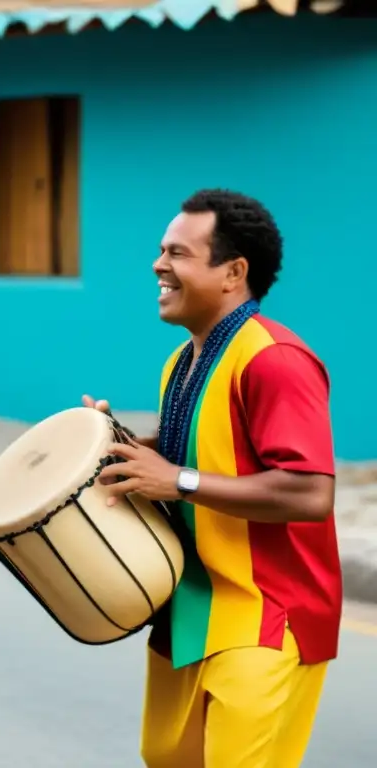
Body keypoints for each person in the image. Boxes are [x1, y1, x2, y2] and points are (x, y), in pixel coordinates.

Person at [83, 189, 341, 767]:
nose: (158, 264)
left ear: (233, 272)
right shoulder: (182, 361)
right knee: (167, 758)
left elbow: (310, 491)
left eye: (178, 253)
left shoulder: (275, 360)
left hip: (268, 616)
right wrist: (115, 448)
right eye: (160, 250)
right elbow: (194, 455)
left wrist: (178, 481)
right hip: (190, 609)